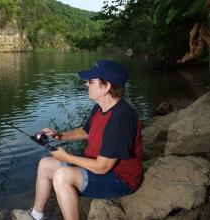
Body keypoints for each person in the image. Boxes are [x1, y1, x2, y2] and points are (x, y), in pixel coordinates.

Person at [11, 60, 143, 220]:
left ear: (106, 86)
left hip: (120, 179)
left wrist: (66, 157)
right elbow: (86, 131)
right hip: (97, 166)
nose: (87, 84)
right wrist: (60, 135)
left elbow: (102, 167)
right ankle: (36, 215)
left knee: (62, 176)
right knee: (45, 164)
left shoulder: (121, 118)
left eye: (91, 81)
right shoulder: (101, 106)